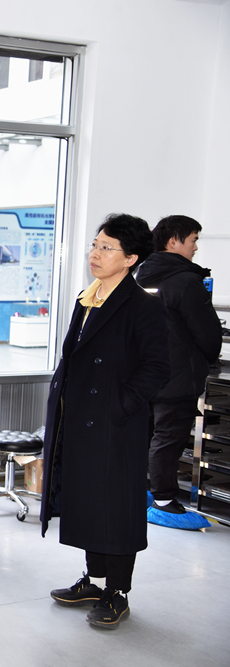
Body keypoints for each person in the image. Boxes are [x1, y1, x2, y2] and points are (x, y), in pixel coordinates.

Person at [41, 213, 170, 629]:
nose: (95, 254)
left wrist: (119, 405)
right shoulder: (89, 297)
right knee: (89, 504)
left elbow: (157, 368)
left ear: (130, 258)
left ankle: (118, 591)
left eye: (106, 248)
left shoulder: (144, 305)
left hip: (116, 426)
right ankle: (94, 581)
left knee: (116, 508)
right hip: (82, 421)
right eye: (95, 245)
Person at [135, 215, 222, 514]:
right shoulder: (185, 281)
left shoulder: (140, 277)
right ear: (174, 241)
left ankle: (143, 492)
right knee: (170, 438)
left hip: (147, 373)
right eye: (193, 240)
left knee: (148, 436)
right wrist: (209, 357)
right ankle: (164, 499)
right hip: (178, 376)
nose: (195, 247)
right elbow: (208, 333)